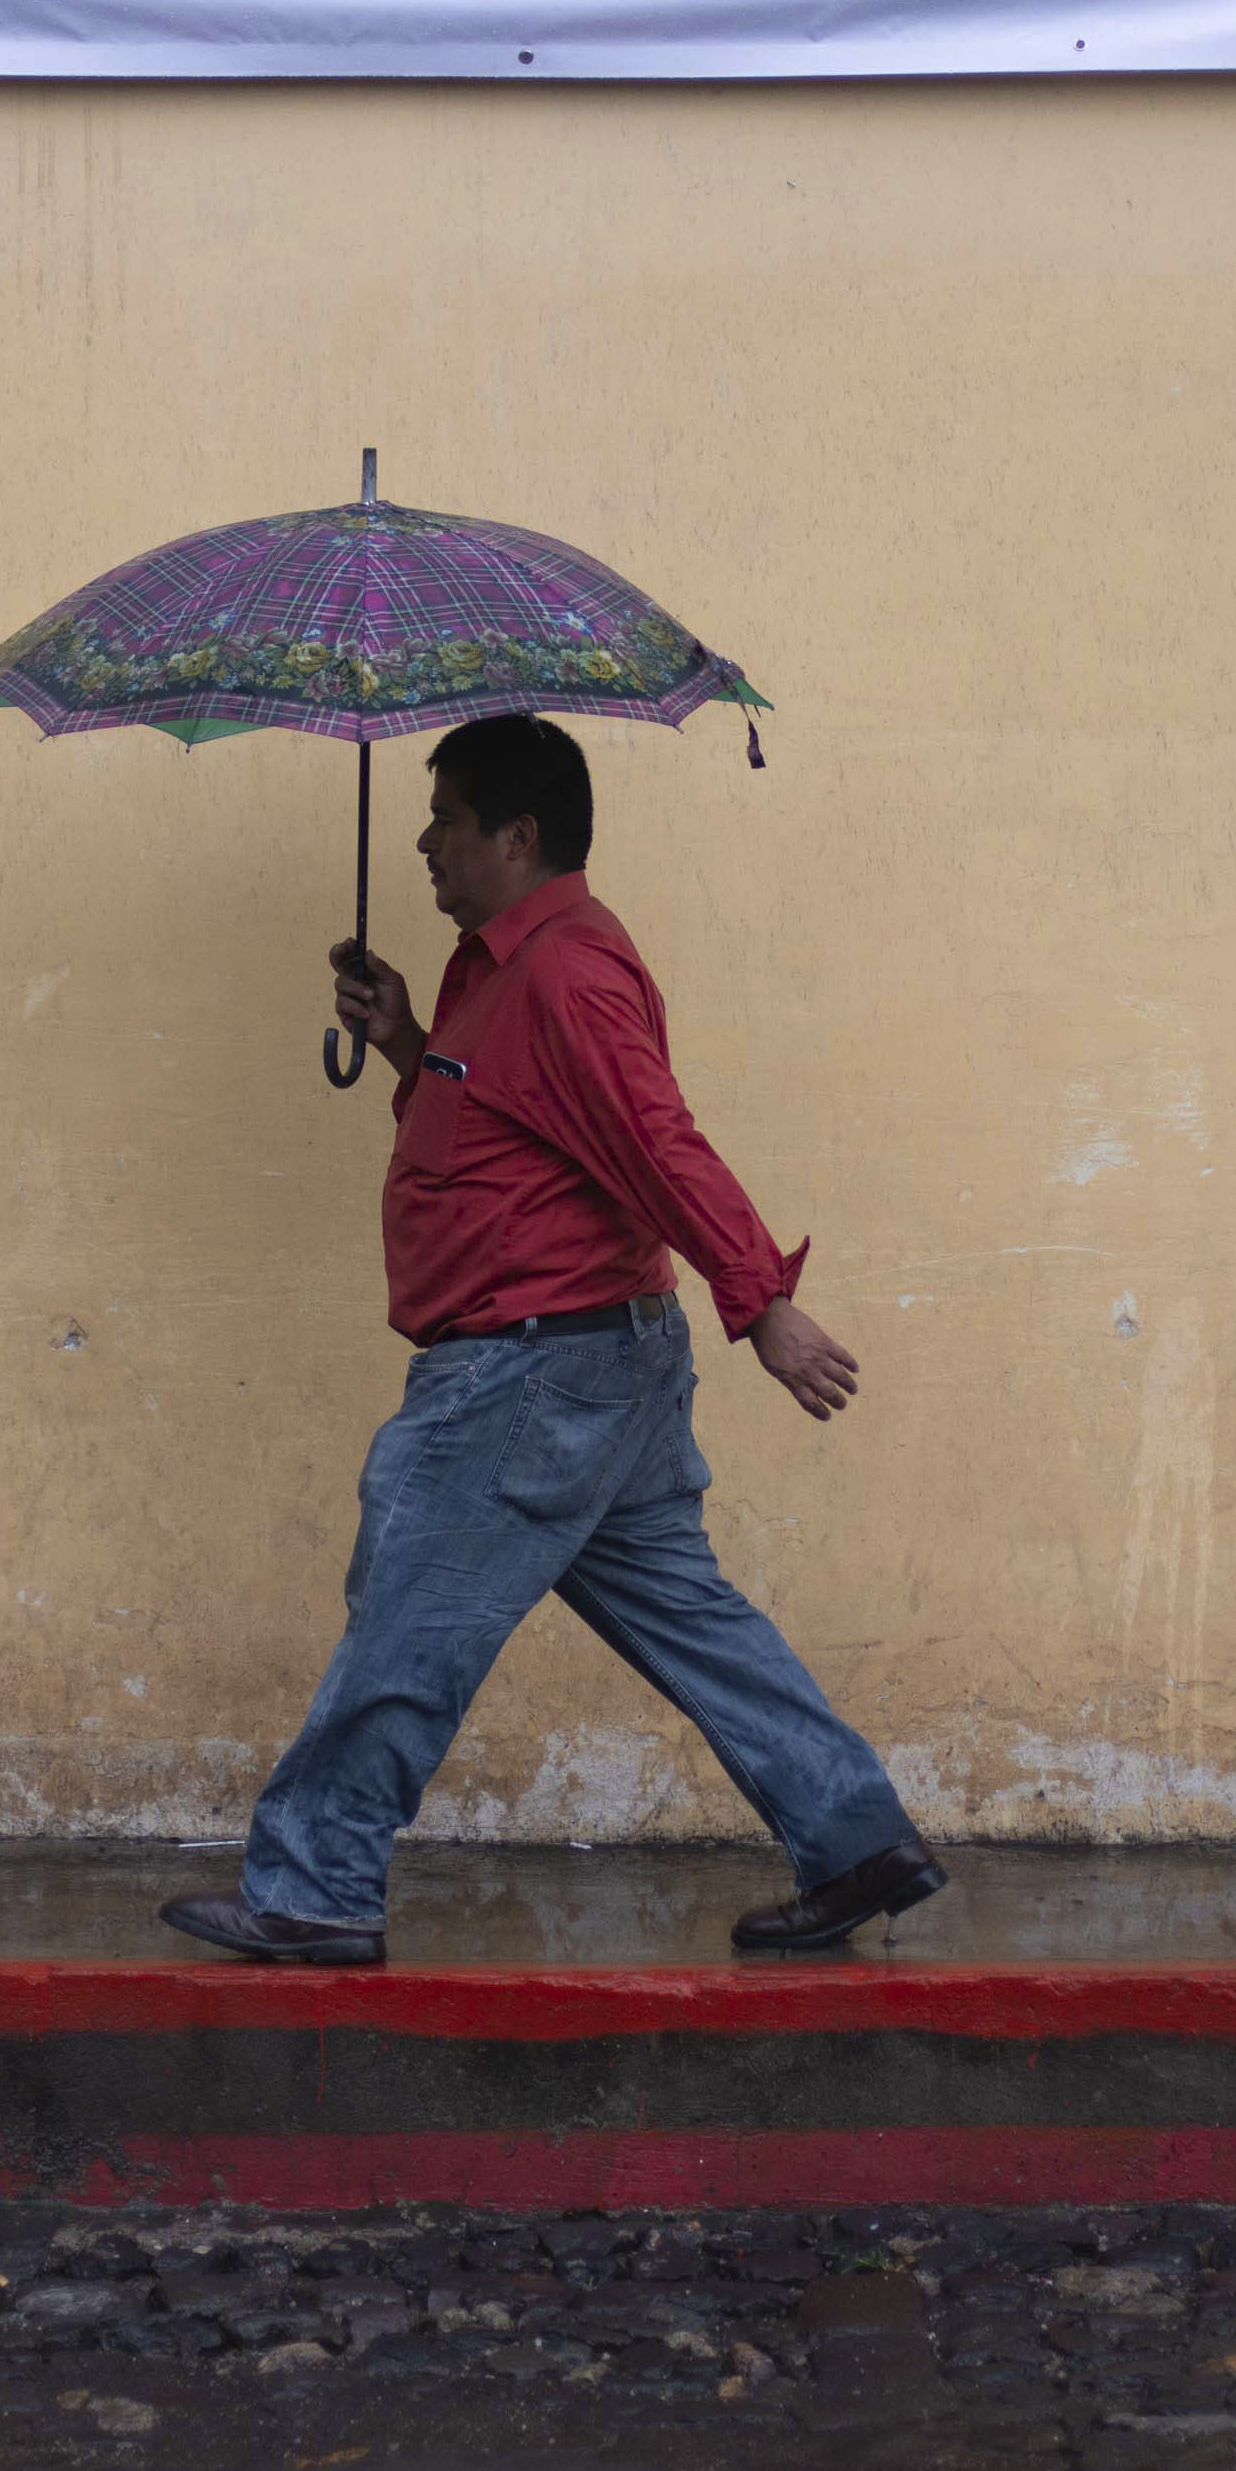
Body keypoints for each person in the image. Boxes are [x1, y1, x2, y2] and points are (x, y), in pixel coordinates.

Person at [160, 712, 947, 1966]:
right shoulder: (493, 967)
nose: (422, 842)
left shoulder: (564, 971)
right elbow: (506, 1135)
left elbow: (655, 1138)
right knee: (691, 1619)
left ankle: (312, 1886)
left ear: (515, 836)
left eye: (448, 819)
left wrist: (763, 1304)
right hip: (594, 1370)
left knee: (405, 1614)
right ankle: (853, 1837)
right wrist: (408, 1043)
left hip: (527, 1380)